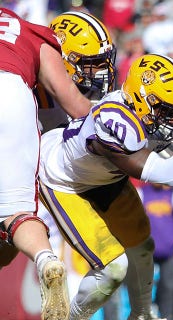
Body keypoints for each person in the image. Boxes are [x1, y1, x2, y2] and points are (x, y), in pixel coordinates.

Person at [37, 53, 173, 320]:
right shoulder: (114, 119)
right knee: (113, 269)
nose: (172, 118)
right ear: (142, 99)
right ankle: (68, 318)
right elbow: (166, 174)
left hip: (105, 177)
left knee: (142, 247)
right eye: (164, 109)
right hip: (65, 181)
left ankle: (142, 314)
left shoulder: (160, 114)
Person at [0, 7, 91, 320]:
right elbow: (75, 105)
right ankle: (45, 259)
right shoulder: (27, 30)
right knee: (17, 213)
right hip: (11, 93)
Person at [139, 182, 173, 320]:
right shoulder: (141, 194)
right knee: (143, 287)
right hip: (147, 250)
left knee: (169, 287)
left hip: (169, 250)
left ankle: (168, 316)